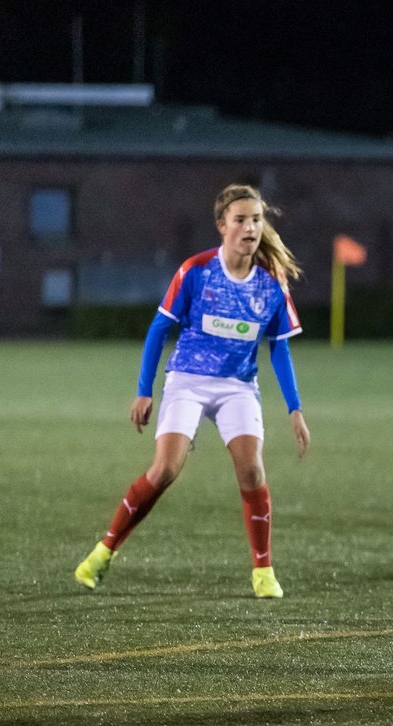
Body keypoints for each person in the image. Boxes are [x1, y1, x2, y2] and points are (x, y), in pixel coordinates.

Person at [73, 183, 310, 599]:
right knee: (165, 470)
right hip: (187, 379)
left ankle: (263, 572)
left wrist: (295, 409)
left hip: (238, 386)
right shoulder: (197, 270)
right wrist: (144, 390)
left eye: (256, 219)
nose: (250, 227)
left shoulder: (272, 285)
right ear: (222, 226)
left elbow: (280, 348)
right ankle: (103, 551)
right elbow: (159, 328)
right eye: (240, 220)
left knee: (252, 470)